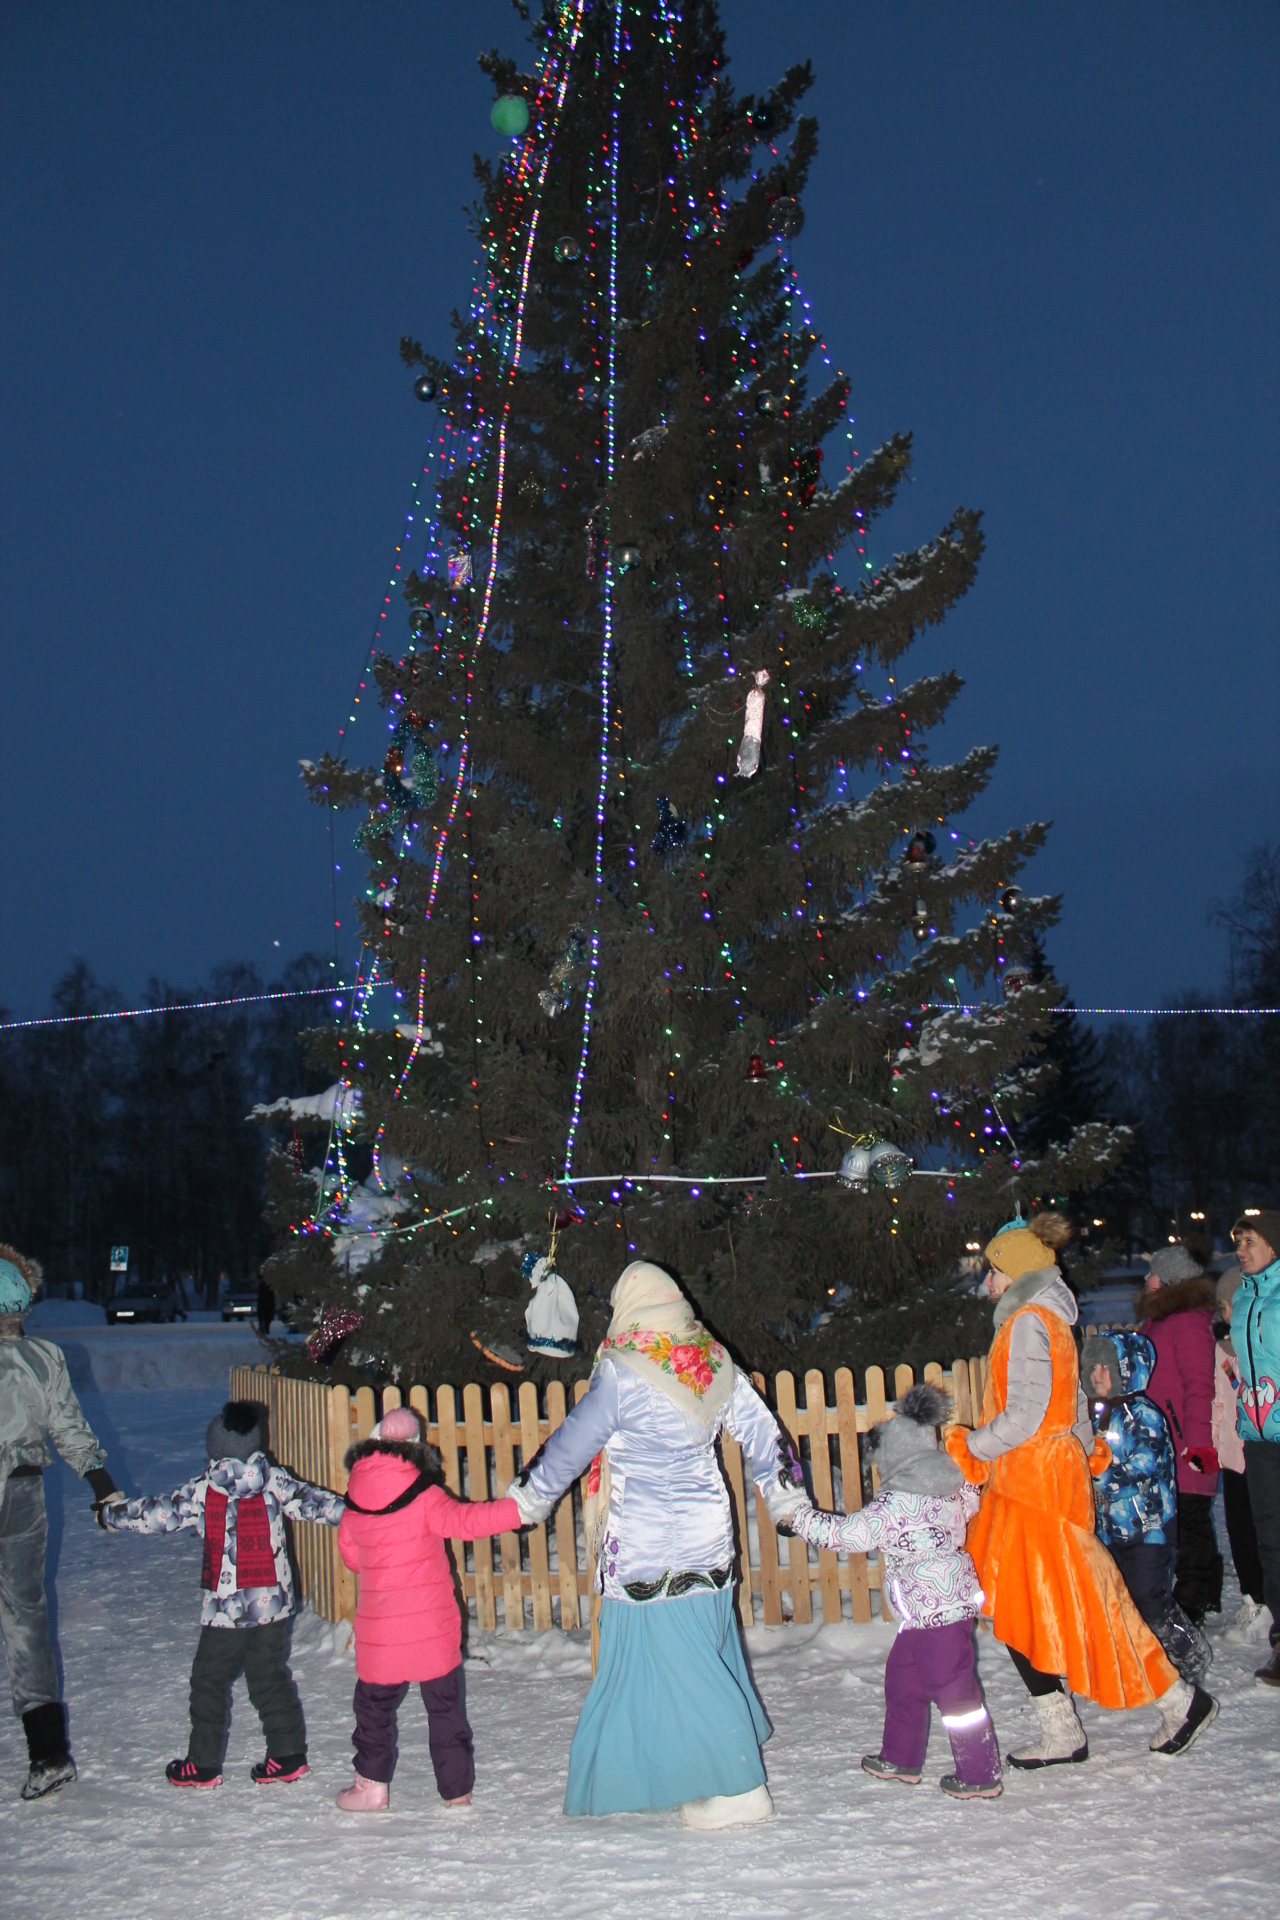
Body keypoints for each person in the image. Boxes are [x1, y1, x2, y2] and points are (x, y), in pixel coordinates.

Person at [506, 1260, 805, 1829]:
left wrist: (529, 1498)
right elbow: (765, 1433)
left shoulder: (622, 1370)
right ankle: (679, 1765)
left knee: (681, 1664)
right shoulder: (714, 1360)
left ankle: (741, 1787)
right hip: (707, 1535)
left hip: (647, 1541)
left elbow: (572, 1444)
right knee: (692, 1652)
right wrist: (785, 1497)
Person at [945, 1213, 1216, 1765]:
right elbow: (1068, 1407)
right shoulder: (1048, 1319)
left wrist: (968, 1446)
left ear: (1015, 1271)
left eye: (993, 1271)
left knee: (1079, 1604)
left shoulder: (1026, 1321)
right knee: (1031, 1604)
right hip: (1042, 1483)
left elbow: (1024, 1417)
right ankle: (1066, 1724)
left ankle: (1175, 1700)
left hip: (1032, 1488)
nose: (987, 1283)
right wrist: (1085, 1451)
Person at [101, 1399, 345, 1785]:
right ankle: (287, 1755)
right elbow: (320, 1504)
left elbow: (159, 1514)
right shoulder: (275, 1481)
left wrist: (111, 1516)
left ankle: (202, 1763)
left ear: (214, 1452)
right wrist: (363, 1513)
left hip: (227, 1611)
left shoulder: (206, 1489)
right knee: (268, 1676)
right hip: (273, 1607)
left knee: (209, 1681)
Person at [787, 1384, 1001, 1801]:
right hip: (930, 1611)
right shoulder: (952, 1490)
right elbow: (973, 1497)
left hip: (933, 1613)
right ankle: (901, 1757)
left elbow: (849, 1534)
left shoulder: (896, 1503)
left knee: (955, 1692)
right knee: (903, 1682)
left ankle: (979, 1774)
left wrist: (798, 1518)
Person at [333, 1405, 520, 1813]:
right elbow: (467, 1522)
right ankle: (456, 1790)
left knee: (373, 1712)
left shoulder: (354, 1502)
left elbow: (351, 1557)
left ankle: (371, 1787)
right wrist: (516, 1509)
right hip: (432, 1630)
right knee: (445, 1710)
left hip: (380, 1635)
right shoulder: (426, 1494)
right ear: (415, 1450)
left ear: (372, 1445)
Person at [0, 1244, 123, 1799]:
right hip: (24, 1493)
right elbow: (70, 1428)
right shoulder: (44, 1357)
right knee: (25, 1615)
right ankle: (48, 1753)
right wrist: (101, 1485)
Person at [1080, 1327, 1210, 1682]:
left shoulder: (1144, 1415)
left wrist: (1101, 1482)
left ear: (1128, 1369)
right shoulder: (1093, 1416)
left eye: (1106, 1368)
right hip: (1109, 1530)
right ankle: (1140, 1660)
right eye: (1092, 1368)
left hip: (1149, 1526)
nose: (1097, 1375)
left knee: (1151, 1600)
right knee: (1122, 1599)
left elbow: (1146, 1465)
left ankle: (1189, 1652)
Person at [1136, 1245, 1222, 1624]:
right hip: (1164, 1439)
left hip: (1184, 1438)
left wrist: (1198, 1441)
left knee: (1190, 1519)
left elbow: (1199, 1384)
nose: (1145, 1278)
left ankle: (1193, 1596)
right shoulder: (1160, 1318)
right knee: (1184, 1518)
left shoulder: (1187, 1322)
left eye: (1152, 1272)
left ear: (1169, 1280)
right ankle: (1202, 1589)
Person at [1230, 1209, 1280, 1686]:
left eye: (1249, 1242)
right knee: (1271, 1539)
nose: (1241, 1250)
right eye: (1239, 1242)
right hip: (1259, 1435)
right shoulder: (1243, 1297)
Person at [1212, 1267, 1268, 1639]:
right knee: (1240, 1528)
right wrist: (1217, 1442)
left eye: (1233, 1304)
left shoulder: (1265, 1341)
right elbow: (1220, 1400)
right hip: (1234, 1456)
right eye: (1223, 1306)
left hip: (1263, 1451)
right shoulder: (1221, 1346)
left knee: (1267, 1527)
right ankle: (1252, 1597)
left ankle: (1268, 1598)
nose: (1228, 1313)